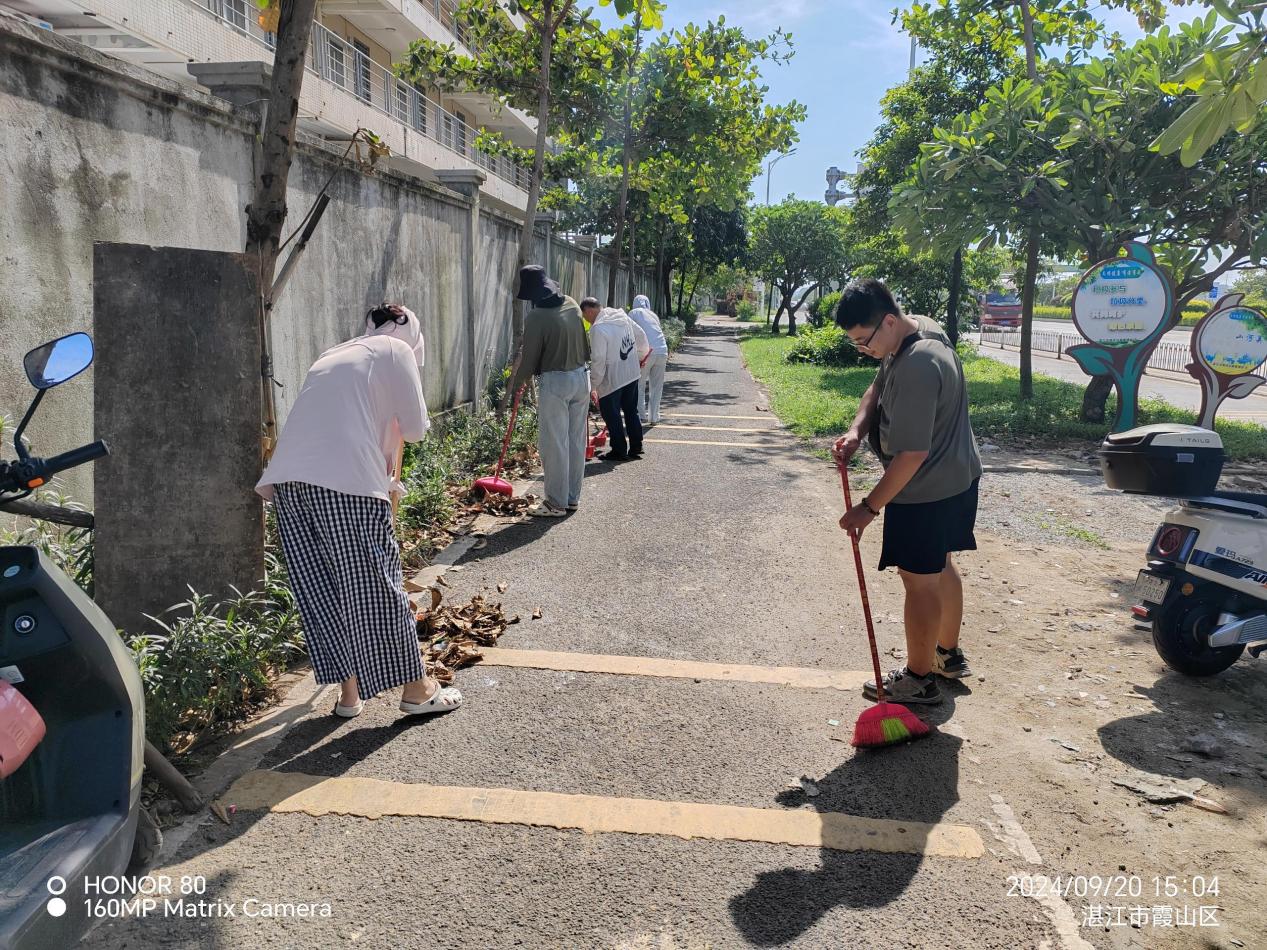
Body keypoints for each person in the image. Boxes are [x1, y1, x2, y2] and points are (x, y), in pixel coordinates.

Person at [257, 304, 463, 720]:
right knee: (376, 586)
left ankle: (349, 695)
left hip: (288, 482)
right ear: (413, 339)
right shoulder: (396, 351)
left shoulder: (334, 354)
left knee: (322, 588)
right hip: (346, 482)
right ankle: (417, 689)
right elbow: (417, 428)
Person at [833, 278, 982, 705]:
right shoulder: (920, 330)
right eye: (856, 344)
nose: (863, 350)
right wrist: (857, 430)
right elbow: (877, 387)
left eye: (865, 340)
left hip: (925, 490)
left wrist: (868, 507)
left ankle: (918, 679)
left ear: (889, 321)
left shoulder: (918, 366)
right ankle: (945, 655)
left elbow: (912, 454)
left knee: (918, 584)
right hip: (960, 476)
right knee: (939, 565)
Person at [510, 265, 591, 517]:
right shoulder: (572, 304)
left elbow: (530, 359)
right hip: (581, 378)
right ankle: (571, 498)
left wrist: (517, 384)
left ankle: (555, 503)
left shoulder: (535, 317)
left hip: (556, 383)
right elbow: (585, 344)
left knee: (554, 444)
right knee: (576, 441)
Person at [589, 306, 649, 461]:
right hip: (631, 372)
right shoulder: (622, 317)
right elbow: (641, 337)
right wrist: (640, 358)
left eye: (585, 316)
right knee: (631, 410)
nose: (586, 320)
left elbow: (598, 360)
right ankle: (637, 447)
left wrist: (593, 384)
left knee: (612, 414)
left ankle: (619, 450)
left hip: (612, 378)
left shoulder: (598, 328)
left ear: (588, 311)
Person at [629, 294, 669, 426]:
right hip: (662, 350)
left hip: (646, 352)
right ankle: (654, 417)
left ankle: (642, 416)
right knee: (657, 386)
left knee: (639, 384)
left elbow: (629, 332)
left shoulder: (633, 313)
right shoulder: (653, 315)